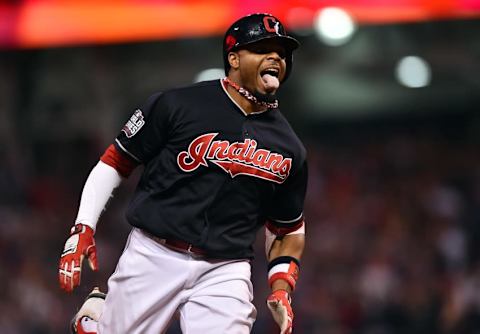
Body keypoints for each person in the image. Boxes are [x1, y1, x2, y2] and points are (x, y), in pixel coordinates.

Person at [59, 13, 307, 334]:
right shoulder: (178, 105)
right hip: (154, 253)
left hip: (225, 269)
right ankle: (95, 322)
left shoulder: (290, 147)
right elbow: (116, 161)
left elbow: (288, 229)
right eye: (263, 48)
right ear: (233, 58)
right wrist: (83, 226)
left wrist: (281, 287)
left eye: (281, 52)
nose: (276, 56)